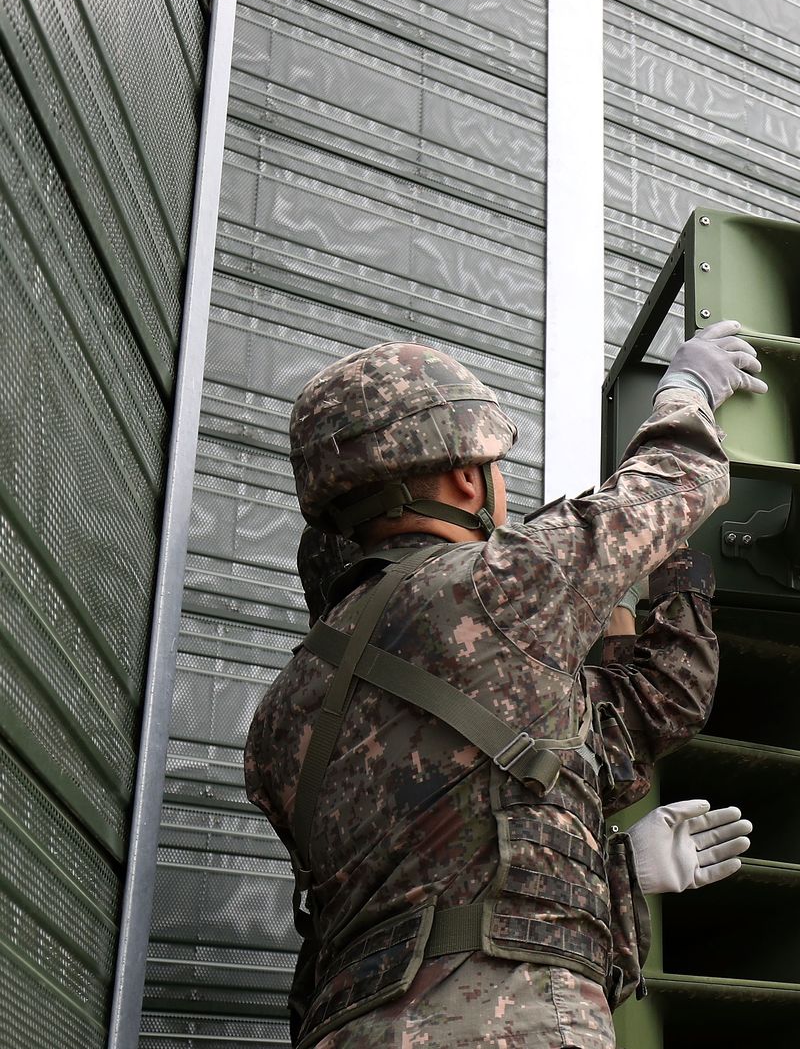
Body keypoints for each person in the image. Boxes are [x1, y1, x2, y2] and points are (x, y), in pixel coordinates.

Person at [246, 324, 764, 1049]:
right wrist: (687, 389)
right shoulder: (502, 583)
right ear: (467, 477)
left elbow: (406, 893)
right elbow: (679, 478)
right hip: (513, 1022)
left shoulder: (278, 718)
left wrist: (616, 871)